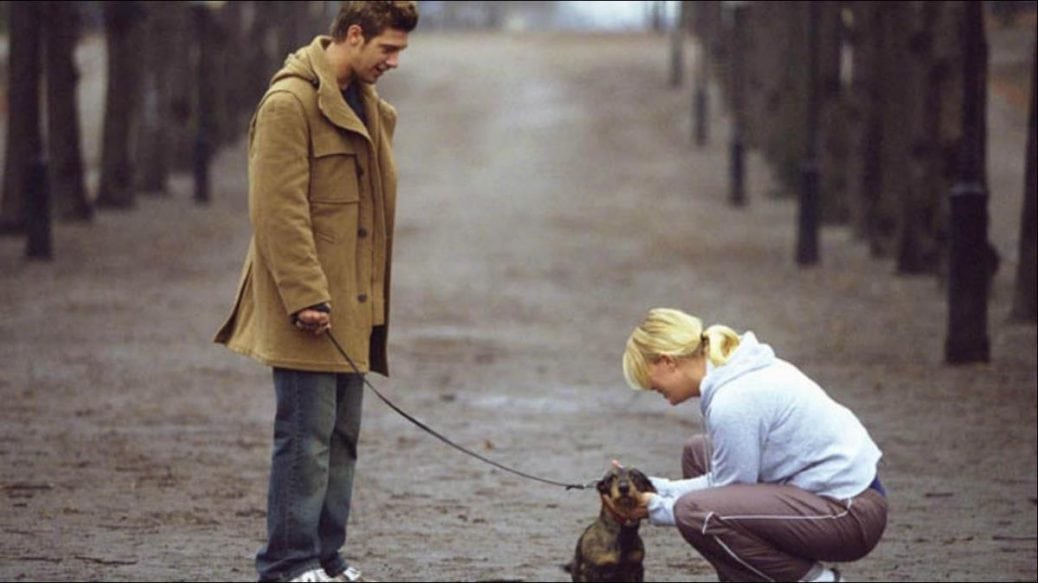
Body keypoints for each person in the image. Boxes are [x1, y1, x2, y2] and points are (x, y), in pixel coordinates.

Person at [214, 2, 418, 581]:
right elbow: (277, 212)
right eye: (388, 49)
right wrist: (306, 294)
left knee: (339, 440)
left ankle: (326, 560)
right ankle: (287, 564)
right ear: (354, 36)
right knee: (304, 442)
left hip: (352, 309)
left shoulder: (367, 104)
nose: (395, 62)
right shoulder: (289, 103)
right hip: (305, 309)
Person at [617, 308, 887, 582]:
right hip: (831, 500)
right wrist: (651, 486)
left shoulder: (733, 400)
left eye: (647, 377)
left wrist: (654, 507)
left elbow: (728, 490)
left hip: (849, 515)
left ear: (667, 361)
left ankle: (820, 581)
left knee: (694, 510)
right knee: (698, 454)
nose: (650, 388)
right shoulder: (734, 370)